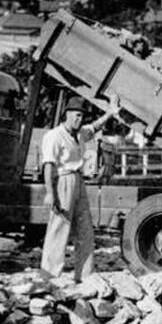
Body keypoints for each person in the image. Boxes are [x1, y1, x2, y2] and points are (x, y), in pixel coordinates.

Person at [39, 93, 121, 281]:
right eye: (75, 115)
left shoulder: (80, 134)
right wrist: (50, 194)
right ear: (66, 114)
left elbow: (95, 127)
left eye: (81, 116)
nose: (79, 119)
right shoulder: (54, 136)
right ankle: (48, 275)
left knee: (85, 229)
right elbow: (48, 166)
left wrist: (110, 112)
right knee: (59, 229)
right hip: (63, 181)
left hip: (78, 181)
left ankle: (85, 275)